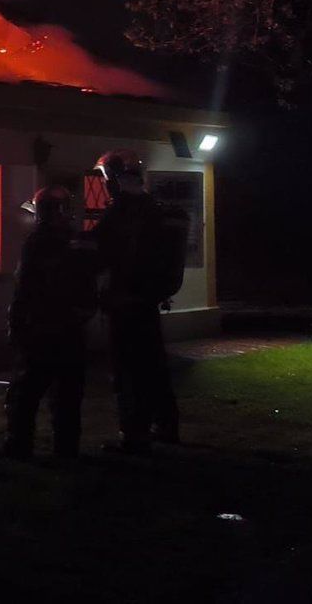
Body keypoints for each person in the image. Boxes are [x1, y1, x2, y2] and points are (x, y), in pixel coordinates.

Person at [93, 150, 188, 454]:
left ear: (117, 180)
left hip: (125, 302)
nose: (106, 186)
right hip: (147, 302)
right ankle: (166, 425)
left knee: (127, 369)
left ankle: (134, 433)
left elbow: (98, 250)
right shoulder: (154, 210)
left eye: (107, 179)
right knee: (154, 365)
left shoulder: (121, 214)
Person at [2, 185, 99, 460]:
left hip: (40, 328)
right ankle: (66, 450)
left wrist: (16, 324)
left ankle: (18, 446)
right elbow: (90, 283)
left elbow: (25, 288)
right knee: (67, 394)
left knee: (25, 392)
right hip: (71, 328)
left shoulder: (36, 243)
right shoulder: (79, 240)